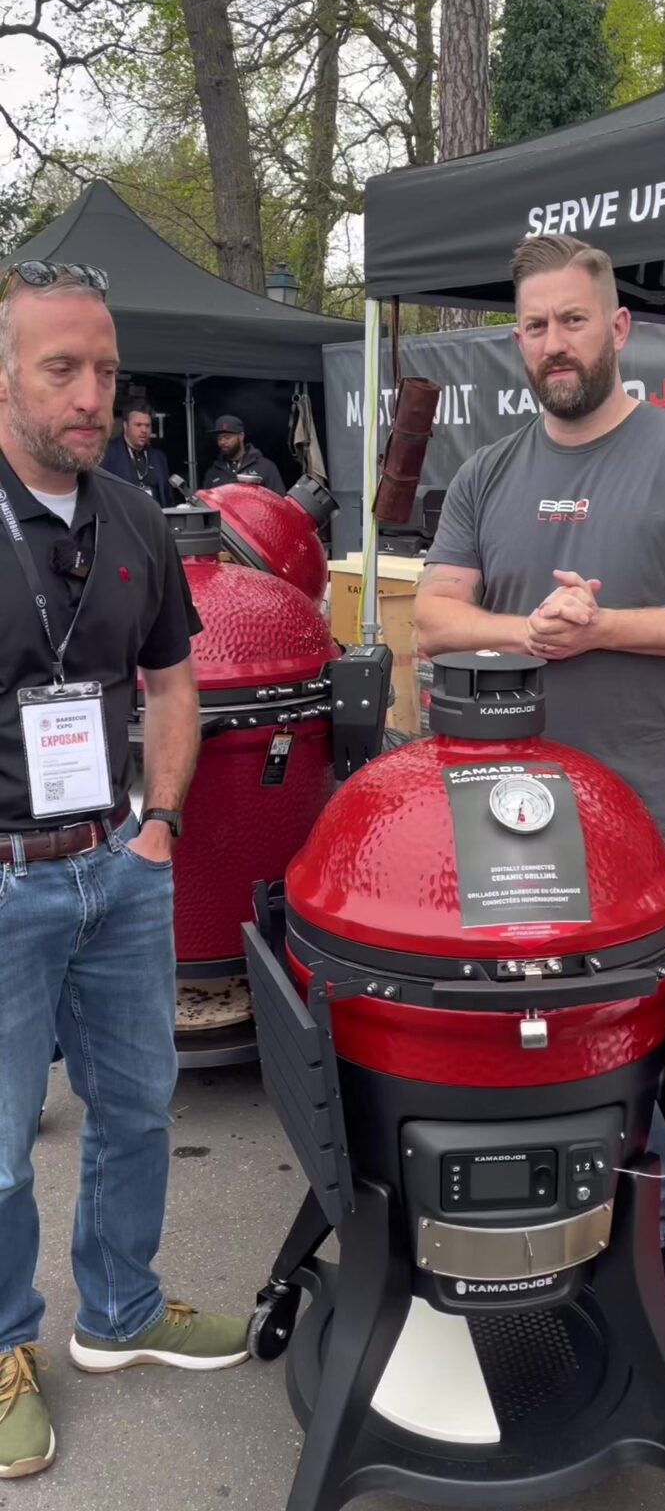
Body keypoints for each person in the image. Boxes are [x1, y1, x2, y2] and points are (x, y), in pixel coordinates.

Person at [414, 234, 665, 1260]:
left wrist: (607, 628)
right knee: (523, 1056)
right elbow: (434, 618)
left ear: (618, 328)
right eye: (535, 326)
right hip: (499, 833)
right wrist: (529, 631)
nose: (554, 343)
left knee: (643, 1054)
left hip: (640, 825)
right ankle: (531, 1249)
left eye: (573, 320)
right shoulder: (488, 473)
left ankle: (660, 1258)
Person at [0, 261, 250, 1482]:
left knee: (139, 1107)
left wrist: (161, 824)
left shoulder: (136, 514)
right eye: (62, 368)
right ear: (5, 374)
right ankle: (3, 1346)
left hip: (118, 864)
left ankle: (121, 1310)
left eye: (104, 369)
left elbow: (173, 683)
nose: (92, 394)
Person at [102, 401, 176, 507]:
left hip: (155, 515)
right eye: (138, 425)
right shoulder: (108, 454)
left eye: (147, 425)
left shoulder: (159, 458)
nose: (144, 430)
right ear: (125, 426)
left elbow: (168, 498)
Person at [202, 413, 286, 496]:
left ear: (241, 436)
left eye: (227, 438)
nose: (222, 442)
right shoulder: (212, 473)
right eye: (219, 438)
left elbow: (279, 500)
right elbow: (205, 502)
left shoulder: (266, 467)